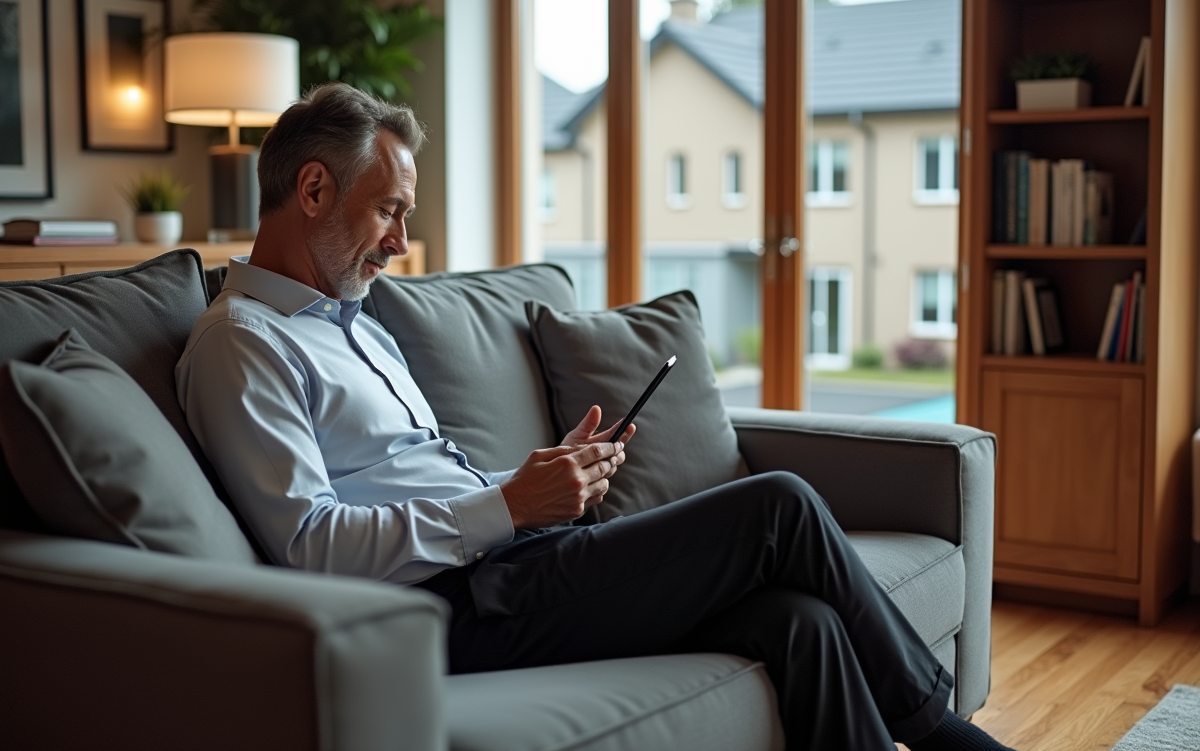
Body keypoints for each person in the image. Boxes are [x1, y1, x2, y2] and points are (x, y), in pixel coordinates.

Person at [176, 83, 1012, 751]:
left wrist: (537, 481)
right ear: (313, 189)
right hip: (452, 606)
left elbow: (415, 479)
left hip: (510, 565)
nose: (400, 240)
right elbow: (312, 546)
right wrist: (507, 507)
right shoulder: (243, 344)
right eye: (390, 209)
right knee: (779, 506)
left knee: (801, 623)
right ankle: (943, 734)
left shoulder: (354, 321)